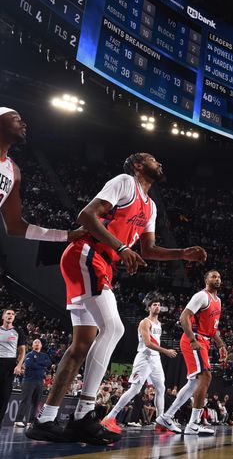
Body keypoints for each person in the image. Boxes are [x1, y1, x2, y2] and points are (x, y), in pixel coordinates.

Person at [26, 152, 207, 445]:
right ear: (138, 165)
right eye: (152, 159)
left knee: (80, 346)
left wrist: (181, 253)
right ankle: (83, 416)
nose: (159, 162)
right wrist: (121, 247)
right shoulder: (125, 182)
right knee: (114, 328)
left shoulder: (151, 207)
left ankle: (45, 420)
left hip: (100, 262)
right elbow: (86, 215)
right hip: (87, 253)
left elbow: (148, 249)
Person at [156, 270, 226, 436]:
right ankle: (193, 424)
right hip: (194, 339)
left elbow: (212, 329)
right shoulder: (201, 296)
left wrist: (221, 344)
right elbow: (183, 317)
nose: (217, 279)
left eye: (219, 277)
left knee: (194, 383)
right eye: (213, 276)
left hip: (204, 340)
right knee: (206, 377)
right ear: (206, 279)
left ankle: (166, 417)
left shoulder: (218, 301)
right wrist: (192, 339)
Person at [0, 107, 83, 244]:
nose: (24, 124)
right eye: (16, 120)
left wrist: (66, 235)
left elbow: (14, 226)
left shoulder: (13, 170)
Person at [102, 293, 177, 433]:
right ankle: (110, 417)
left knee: (161, 388)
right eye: (154, 305)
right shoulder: (145, 322)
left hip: (155, 359)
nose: (157, 307)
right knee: (135, 389)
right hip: (144, 357)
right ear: (149, 307)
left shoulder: (159, 323)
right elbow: (148, 343)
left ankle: (160, 421)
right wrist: (166, 351)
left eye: (159, 305)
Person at [15, 339, 51, 428]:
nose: (37, 344)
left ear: (41, 345)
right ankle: (18, 420)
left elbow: (49, 363)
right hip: (29, 381)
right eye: (35, 343)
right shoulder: (29, 355)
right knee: (25, 401)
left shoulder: (44, 355)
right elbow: (30, 365)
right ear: (32, 346)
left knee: (36, 402)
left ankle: (31, 422)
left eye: (39, 343)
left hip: (39, 381)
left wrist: (38, 363)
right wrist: (42, 364)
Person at [0, 309, 26, 427]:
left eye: (12, 314)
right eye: (8, 313)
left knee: (4, 395)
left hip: (9, 364)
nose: (10, 315)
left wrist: (19, 365)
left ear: (14, 318)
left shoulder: (18, 331)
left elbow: (22, 351)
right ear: (3, 316)